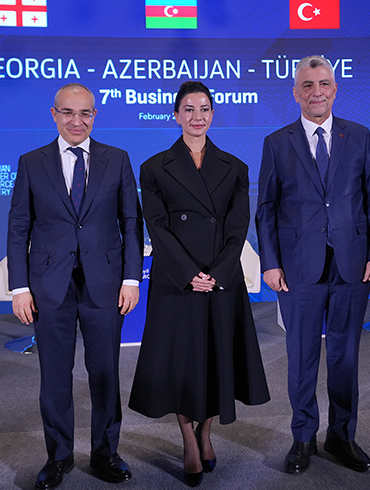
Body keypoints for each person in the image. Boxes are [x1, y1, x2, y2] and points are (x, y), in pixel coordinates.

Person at [129, 81, 270, 487]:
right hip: (177, 281)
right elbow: (156, 226)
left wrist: (217, 273)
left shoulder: (235, 167)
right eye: (188, 109)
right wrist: (189, 273)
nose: (197, 116)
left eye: (204, 108)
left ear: (212, 114)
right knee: (181, 363)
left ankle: (205, 432)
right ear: (176, 115)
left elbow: (238, 226)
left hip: (221, 280)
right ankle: (188, 439)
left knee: (215, 359)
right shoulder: (154, 167)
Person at [255, 55, 370, 475]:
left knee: (345, 356)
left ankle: (342, 436)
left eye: (324, 84)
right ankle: (303, 438)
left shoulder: (360, 135)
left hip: (352, 265)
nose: (317, 92)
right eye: (308, 85)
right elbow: (266, 209)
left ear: (335, 89)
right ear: (296, 93)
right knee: (301, 357)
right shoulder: (277, 142)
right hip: (298, 268)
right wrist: (270, 263)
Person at [6, 82, 143, 489]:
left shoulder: (117, 159)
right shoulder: (31, 162)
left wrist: (131, 278)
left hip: (105, 284)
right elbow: (18, 227)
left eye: (85, 113)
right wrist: (19, 287)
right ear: (54, 115)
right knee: (54, 376)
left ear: (94, 116)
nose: (76, 121)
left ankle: (106, 453)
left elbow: (131, 222)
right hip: (49, 286)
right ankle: (58, 457)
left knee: (105, 374)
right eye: (68, 112)